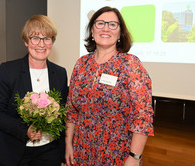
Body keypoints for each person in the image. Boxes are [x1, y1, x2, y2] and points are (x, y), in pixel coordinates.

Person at [65, 6, 154, 166]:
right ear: (92, 31)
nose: (106, 28)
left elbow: (142, 116)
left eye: (113, 24)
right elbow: (71, 110)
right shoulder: (81, 64)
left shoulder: (130, 65)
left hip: (117, 153)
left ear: (120, 33)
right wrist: (68, 145)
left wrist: (134, 157)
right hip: (82, 150)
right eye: (100, 23)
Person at [0, 15, 68, 166]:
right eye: (35, 38)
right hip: (12, 151)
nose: (41, 44)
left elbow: (63, 115)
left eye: (47, 38)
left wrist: (63, 153)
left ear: (52, 42)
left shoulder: (60, 73)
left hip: (49, 152)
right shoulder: (8, 70)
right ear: (26, 41)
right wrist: (24, 130)